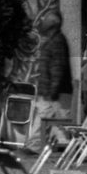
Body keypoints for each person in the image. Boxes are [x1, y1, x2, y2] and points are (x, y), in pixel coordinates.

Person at [25, 10, 72, 155]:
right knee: (45, 118)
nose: (42, 22)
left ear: (52, 24)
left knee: (60, 122)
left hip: (56, 93)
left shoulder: (57, 41)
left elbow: (58, 67)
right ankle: (35, 146)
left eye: (45, 20)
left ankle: (69, 149)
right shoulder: (53, 40)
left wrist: (53, 91)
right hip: (50, 92)